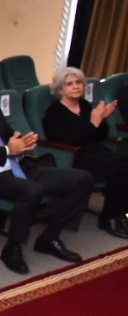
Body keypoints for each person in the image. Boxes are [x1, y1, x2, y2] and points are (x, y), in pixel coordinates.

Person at [0, 72, 95, 275]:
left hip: (19, 166)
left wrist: (23, 143)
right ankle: (12, 248)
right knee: (33, 190)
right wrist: (8, 150)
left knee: (83, 179)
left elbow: (10, 136)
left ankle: (50, 237)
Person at [42, 67, 128, 239]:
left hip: (94, 151)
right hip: (73, 156)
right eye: (69, 84)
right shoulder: (55, 112)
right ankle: (109, 216)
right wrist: (93, 123)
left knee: (125, 164)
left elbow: (100, 136)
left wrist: (102, 119)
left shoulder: (85, 105)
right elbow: (68, 141)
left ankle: (119, 213)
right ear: (60, 90)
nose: (76, 86)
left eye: (79, 82)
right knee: (121, 170)